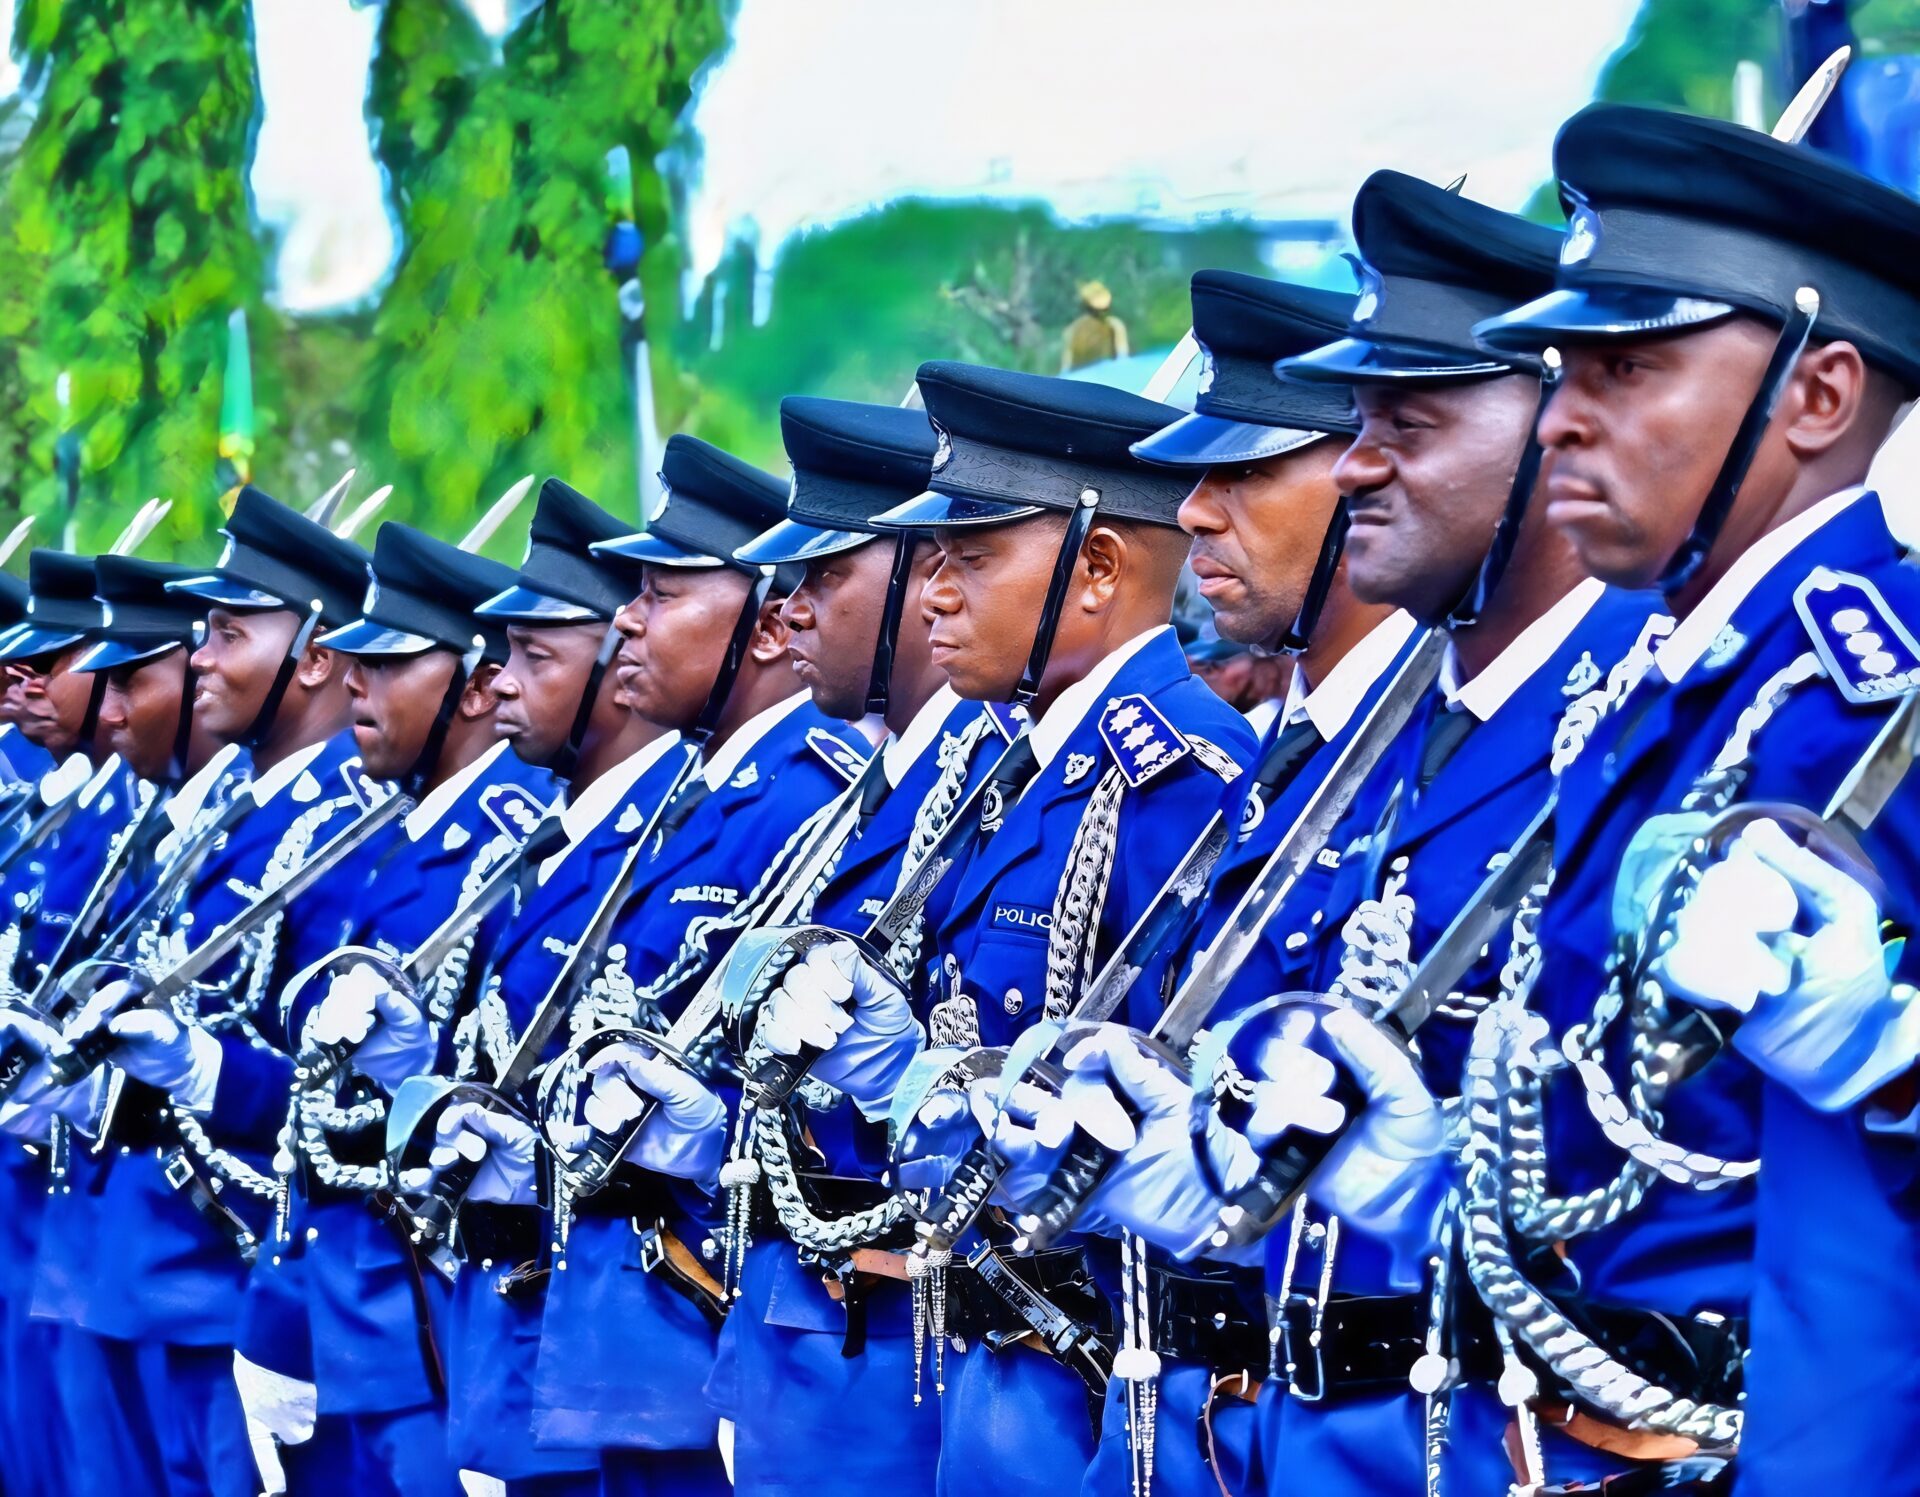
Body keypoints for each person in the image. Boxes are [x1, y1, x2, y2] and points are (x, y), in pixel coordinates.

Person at [1448, 102, 1920, 1492]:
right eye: (1559, 371)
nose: (1559, 421)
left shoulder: (1879, 675)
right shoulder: (1665, 688)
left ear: (1820, 397)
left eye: (1625, 369)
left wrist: (1897, 1053)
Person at [737, 360, 1258, 1497]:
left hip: (1084, 1393)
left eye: (969, 558)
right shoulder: (1001, 772)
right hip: (971, 1378)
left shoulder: (1180, 779)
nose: (931, 594)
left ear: (1100, 568)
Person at [517, 433, 873, 1494]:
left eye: (663, 593)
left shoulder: (810, 796)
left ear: (768, 625)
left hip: (708, 1318)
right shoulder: (687, 802)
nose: (625, 618)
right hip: (631, 1327)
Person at [6, 487, 379, 1496]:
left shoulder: (345, 823)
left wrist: (193, 1070)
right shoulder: (220, 815)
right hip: (133, 1256)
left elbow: (326, 1083)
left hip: (228, 1274)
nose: (201, 656)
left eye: (226, 631)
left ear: (312, 657)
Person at [236, 520, 554, 1494]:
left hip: (428, 1314)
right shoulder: (387, 833)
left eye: (386, 667)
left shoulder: (510, 843)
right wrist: (280, 1317)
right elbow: (314, 1119)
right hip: (349, 1314)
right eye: (353, 665)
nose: (354, 687)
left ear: (468, 684)